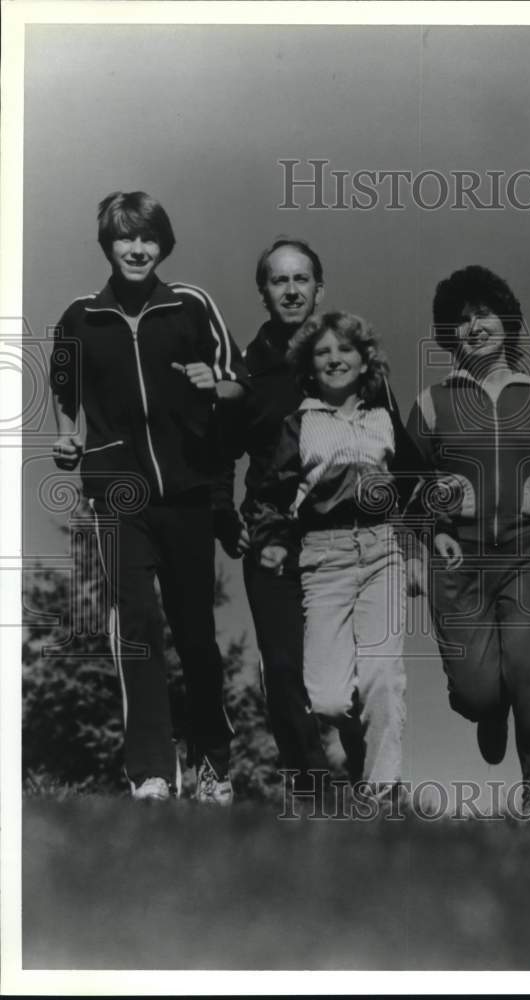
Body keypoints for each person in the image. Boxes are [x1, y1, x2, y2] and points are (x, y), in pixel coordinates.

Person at [49, 190, 247, 803]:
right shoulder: (80, 317)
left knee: (195, 633)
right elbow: (64, 390)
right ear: (107, 245)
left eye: (148, 238)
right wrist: (66, 438)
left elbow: (238, 383)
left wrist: (214, 384)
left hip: (187, 489)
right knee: (135, 624)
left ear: (164, 244)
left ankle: (213, 764)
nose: (137, 249)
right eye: (125, 238)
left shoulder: (191, 304)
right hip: (117, 491)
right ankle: (151, 772)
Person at [406, 265, 530, 813]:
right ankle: (488, 710)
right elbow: (404, 485)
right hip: (457, 560)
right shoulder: (432, 402)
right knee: (478, 691)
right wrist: (431, 519)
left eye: (484, 314)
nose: (474, 327)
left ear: (506, 322)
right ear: (449, 335)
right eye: (461, 320)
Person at [244, 311, 448, 798]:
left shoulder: (384, 420)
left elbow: (415, 486)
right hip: (323, 558)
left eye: (345, 350)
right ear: (309, 367)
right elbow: (270, 495)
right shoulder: (299, 424)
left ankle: (380, 795)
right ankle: (363, 746)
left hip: (381, 551)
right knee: (329, 700)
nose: (334, 359)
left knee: (382, 677)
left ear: (364, 361)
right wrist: (274, 540)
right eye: (323, 352)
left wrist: (431, 535)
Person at [212, 238, 331, 795]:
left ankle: (366, 786)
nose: (291, 290)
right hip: (270, 533)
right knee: (283, 665)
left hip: (344, 536)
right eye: (279, 280)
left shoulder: (345, 357)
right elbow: (219, 450)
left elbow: (391, 444)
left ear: (318, 289)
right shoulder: (245, 370)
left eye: (301, 279)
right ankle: (312, 789)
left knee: (342, 678)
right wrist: (221, 511)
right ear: (263, 292)